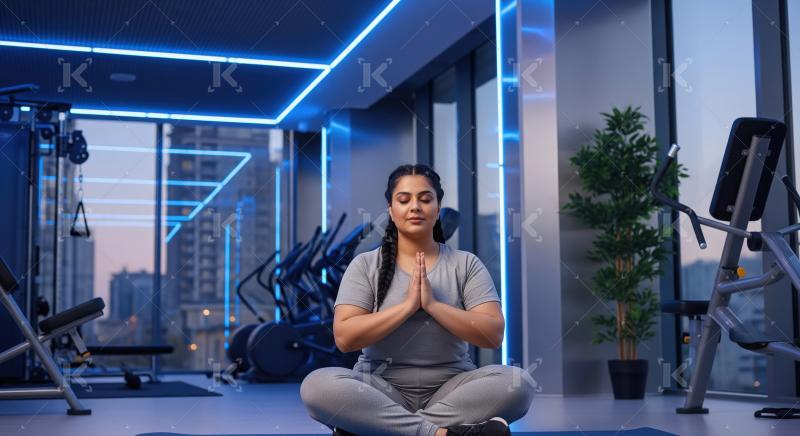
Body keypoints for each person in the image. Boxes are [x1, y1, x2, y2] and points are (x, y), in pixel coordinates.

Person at [301, 164, 534, 435]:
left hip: (453, 388)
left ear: (437, 208)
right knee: (316, 386)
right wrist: (407, 307)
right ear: (390, 209)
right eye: (404, 200)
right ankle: (439, 432)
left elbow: (493, 334)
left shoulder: (466, 263)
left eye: (425, 199)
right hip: (380, 387)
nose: (415, 207)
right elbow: (345, 338)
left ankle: (379, 427)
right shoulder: (364, 265)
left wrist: (433, 305)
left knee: (518, 383)